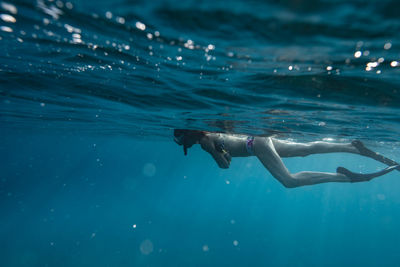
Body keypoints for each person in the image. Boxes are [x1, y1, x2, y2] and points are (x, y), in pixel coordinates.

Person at [173, 129, 399, 188]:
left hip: (255, 146)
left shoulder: (204, 141)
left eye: (183, 141)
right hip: (257, 140)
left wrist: (218, 154)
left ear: (187, 135)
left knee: (289, 181)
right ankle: (352, 147)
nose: (186, 145)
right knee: (305, 149)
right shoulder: (212, 134)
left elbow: (224, 165)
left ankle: (345, 178)